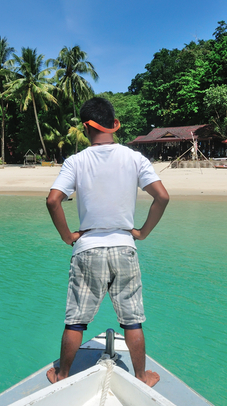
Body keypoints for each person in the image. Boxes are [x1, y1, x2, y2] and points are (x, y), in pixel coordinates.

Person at [46, 97, 169, 387]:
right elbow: (162, 196)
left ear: (87, 126)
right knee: (132, 319)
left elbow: (53, 201)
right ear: (114, 123)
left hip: (88, 248)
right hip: (125, 246)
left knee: (76, 319)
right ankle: (141, 376)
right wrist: (143, 232)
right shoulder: (134, 158)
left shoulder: (75, 161)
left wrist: (68, 237)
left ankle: (63, 374)